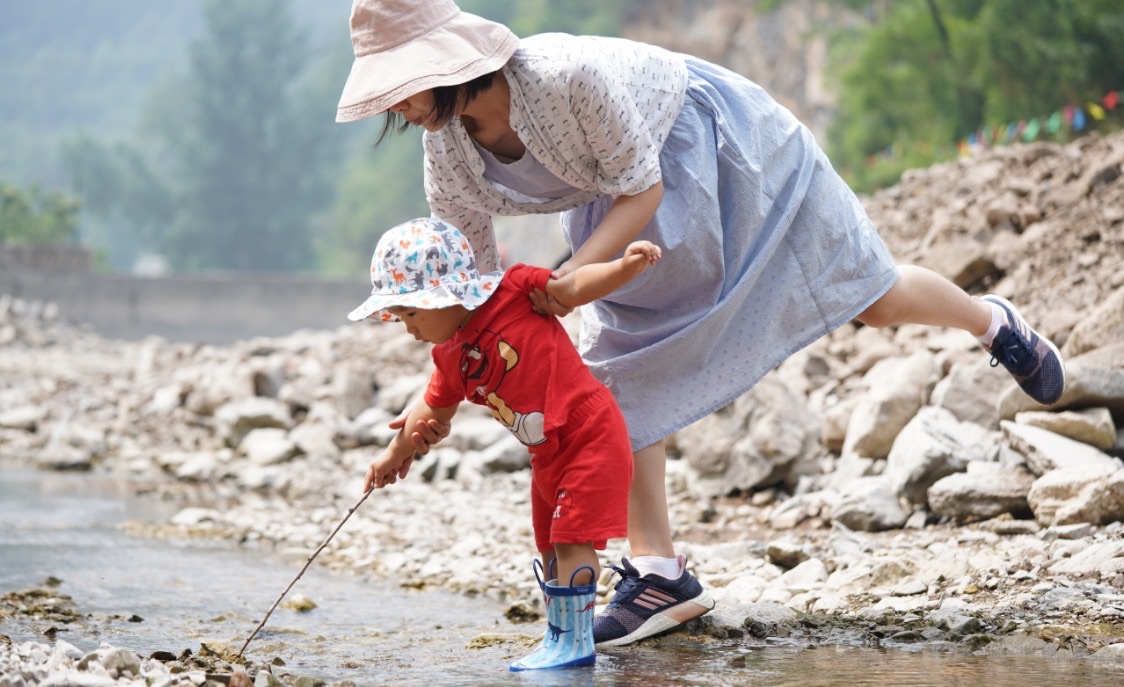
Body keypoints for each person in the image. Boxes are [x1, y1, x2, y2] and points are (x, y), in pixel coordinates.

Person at [335, 0, 1066, 648]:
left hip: (719, 148)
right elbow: (470, 289)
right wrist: (426, 408)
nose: (397, 109)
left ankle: (991, 324)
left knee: (867, 291)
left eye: (402, 87)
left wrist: (568, 281)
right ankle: (659, 573)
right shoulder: (446, 149)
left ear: (447, 63)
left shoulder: (562, 78)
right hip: (622, 212)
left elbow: (641, 183)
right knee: (616, 372)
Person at [350, 216, 663, 671]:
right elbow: (429, 411)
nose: (408, 330)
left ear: (447, 295)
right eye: (399, 318)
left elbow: (571, 287)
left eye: (411, 314)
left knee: (574, 538)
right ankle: (559, 635)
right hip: (545, 454)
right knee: (550, 544)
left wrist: (624, 268)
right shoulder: (449, 356)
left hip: (588, 431)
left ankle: (576, 643)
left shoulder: (514, 290)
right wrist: (392, 457)